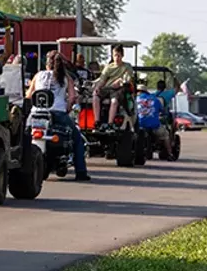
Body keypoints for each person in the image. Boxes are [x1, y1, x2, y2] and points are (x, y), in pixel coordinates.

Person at [26, 50, 91, 181]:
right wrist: (67, 108)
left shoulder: (38, 76)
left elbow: (28, 96)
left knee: (25, 136)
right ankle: (81, 172)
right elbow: (72, 97)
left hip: (36, 114)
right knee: (77, 139)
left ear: (46, 64)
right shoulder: (66, 78)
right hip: (58, 113)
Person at [93, 45, 135, 125]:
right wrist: (97, 87)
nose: (117, 58)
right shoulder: (109, 67)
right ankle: (97, 121)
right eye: (115, 55)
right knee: (95, 96)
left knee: (114, 101)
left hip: (119, 90)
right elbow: (102, 80)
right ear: (112, 55)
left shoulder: (127, 66)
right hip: (108, 88)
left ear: (122, 56)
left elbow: (129, 78)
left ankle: (110, 124)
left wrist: (120, 80)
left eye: (118, 55)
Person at [137, 79, 170, 152]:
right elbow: (162, 111)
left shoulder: (135, 99)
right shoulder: (155, 99)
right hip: (154, 125)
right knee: (166, 135)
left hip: (139, 125)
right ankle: (170, 154)